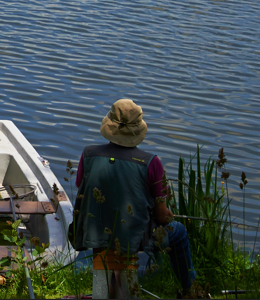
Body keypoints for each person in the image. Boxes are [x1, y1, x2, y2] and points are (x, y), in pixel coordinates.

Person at [72, 99, 201, 299]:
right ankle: (189, 291)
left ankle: (126, 283)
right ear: (137, 130)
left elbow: (83, 191)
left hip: (94, 232)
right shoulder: (151, 163)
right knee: (180, 232)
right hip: (135, 238)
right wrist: (168, 215)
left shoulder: (88, 155)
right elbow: (161, 216)